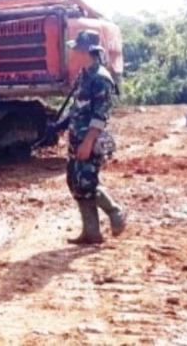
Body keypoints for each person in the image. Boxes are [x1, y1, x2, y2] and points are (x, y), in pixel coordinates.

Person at [61, 30, 125, 245]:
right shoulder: (84, 74)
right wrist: (59, 126)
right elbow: (77, 108)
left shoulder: (101, 79)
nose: (71, 52)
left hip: (90, 140)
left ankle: (115, 212)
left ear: (85, 51)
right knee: (75, 182)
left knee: (86, 183)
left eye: (75, 49)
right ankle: (91, 232)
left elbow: (100, 115)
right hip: (76, 138)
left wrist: (88, 142)